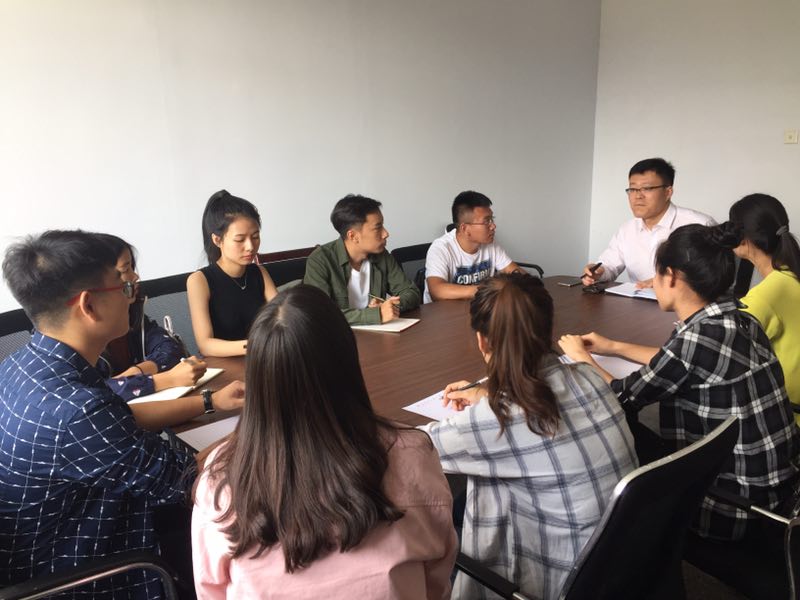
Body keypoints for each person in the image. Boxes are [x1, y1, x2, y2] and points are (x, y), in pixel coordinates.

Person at [0, 230, 243, 599]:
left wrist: (210, 402)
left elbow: (122, 417)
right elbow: (189, 480)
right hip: (89, 573)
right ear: (89, 305)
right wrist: (269, 421)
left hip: (48, 547)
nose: (133, 294)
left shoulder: (22, 366)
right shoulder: (78, 411)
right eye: (125, 286)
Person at [192, 285, 456, 599]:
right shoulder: (411, 456)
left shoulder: (220, 479)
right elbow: (436, 577)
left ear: (258, 379)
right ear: (348, 361)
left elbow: (211, 590)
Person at [560, 224, 800, 546]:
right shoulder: (737, 319)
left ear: (671, 276)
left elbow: (619, 396)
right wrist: (613, 346)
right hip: (779, 490)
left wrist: (581, 358)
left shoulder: (697, 339)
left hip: (734, 506)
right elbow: (674, 360)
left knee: (619, 431)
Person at [421, 274, 637, 600]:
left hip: (556, 585)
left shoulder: (499, 419)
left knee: (428, 536)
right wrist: (487, 394)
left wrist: (490, 405)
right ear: (548, 328)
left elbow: (411, 449)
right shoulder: (590, 376)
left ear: (482, 341)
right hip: (620, 568)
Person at [98, 234, 243, 431]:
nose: (135, 277)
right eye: (125, 270)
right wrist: (167, 379)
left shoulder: (133, 314)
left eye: (132, 267)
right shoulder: (74, 353)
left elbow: (170, 349)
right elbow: (98, 396)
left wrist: (134, 373)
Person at [582, 158, 715, 289]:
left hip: (684, 303)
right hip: (638, 301)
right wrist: (598, 272)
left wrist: (664, 282)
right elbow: (609, 266)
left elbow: (716, 276)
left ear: (668, 192)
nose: (637, 196)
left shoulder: (701, 225)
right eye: (633, 189)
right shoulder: (627, 230)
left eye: (646, 188)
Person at [728, 193, 800, 424]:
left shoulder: (766, 295)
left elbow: (720, 349)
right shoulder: (790, 275)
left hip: (788, 417)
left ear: (742, 239)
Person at [187, 190, 278, 357]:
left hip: (264, 358)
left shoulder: (259, 272)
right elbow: (206, 344)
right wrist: (257, 345)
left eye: (255, 237)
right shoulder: (199, 281)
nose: (250, 246)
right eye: (240, 239)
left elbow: (283, 317)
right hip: (224, 365)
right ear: (217, 240)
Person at [303, 194, 420, 324]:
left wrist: (392, 306)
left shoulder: (382, 255)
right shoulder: (320, 260)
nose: (386, 233)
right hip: (338, 335)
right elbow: (320, 313)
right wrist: (376, 314)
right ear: (353, 236)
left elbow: (411, 292)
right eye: (378, 228)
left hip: (377, 333)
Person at [424, 190, 524, 302]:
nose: (493, 226)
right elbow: (437, 291)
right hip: (444, 311)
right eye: (486, 221)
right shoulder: (440, 248)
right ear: (465, 228)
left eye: (492, 219)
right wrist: (489, 290)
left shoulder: (490, 244)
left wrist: (526, 282)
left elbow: (516, 273)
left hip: (478, 306)